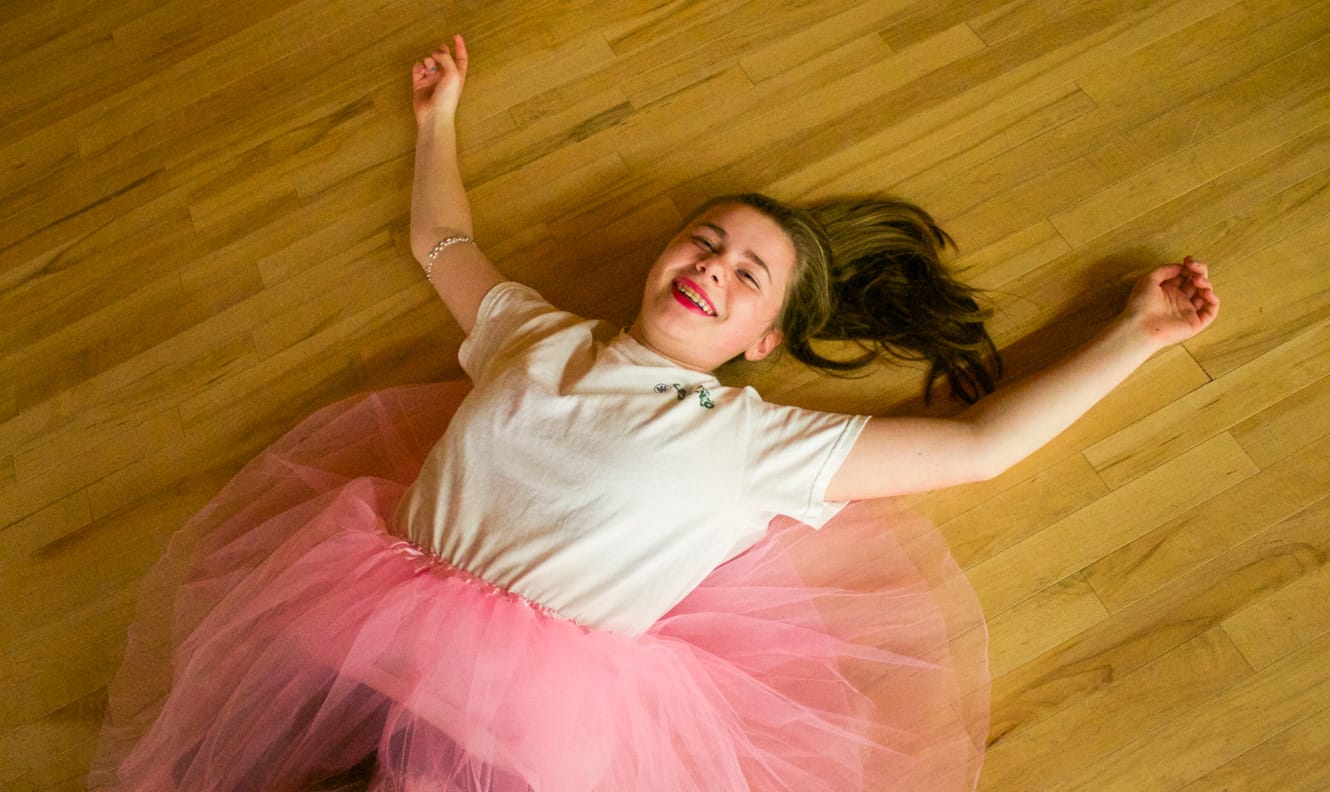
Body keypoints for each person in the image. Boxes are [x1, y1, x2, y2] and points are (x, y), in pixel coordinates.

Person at [89, 35, 1219, 792]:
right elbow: (441, 246)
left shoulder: (758, 443)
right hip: (363, 633)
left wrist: (1133, 334)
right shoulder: (537, 337)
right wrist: (439, 123)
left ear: (760, 342)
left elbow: (981, 448)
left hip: (517, 724)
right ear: (663, 256)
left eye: (748, 277)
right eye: (707, 242)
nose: (713, 271)